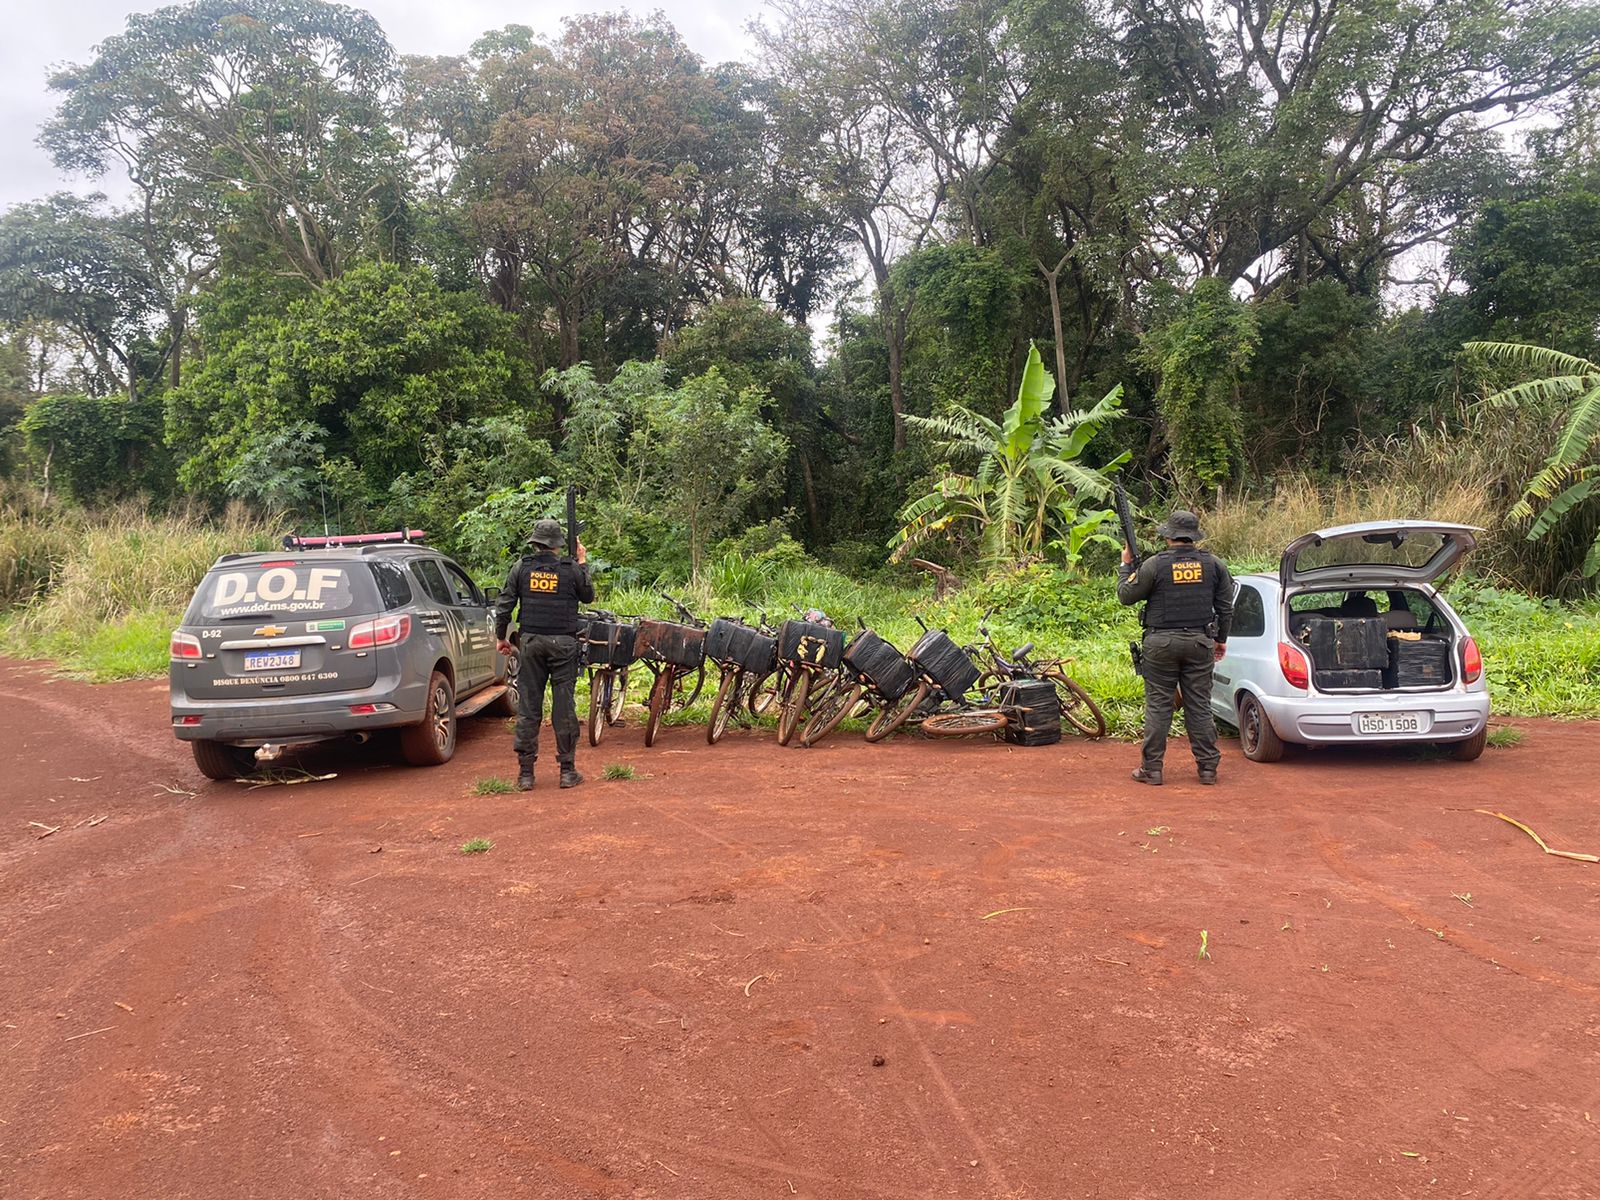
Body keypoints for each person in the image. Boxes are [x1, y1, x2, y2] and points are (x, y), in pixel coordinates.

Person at [1115, 510, 1234, 786]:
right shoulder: (1214, 564)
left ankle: (1152, 769)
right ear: (1194, 537)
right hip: (1199, 642)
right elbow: (1225, 608)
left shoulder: (1155, 565)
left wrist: (1126, 566)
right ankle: (1207, 769)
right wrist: (1221, 639)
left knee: (1159, 706)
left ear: (1168, 536)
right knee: (1199, 706)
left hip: (1160, 643)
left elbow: (1126, 596)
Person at [494, 518, 594, 792]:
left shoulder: (522, 568)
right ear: (558, 545)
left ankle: (526, 775)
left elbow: (504, 605)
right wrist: (583, 561)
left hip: (532, 643)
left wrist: (501, 638)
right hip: (563, 643)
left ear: (535, 543)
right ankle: (567, 771)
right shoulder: (571, 568)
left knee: (529, 707)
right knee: (563, 707)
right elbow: (588, 596)